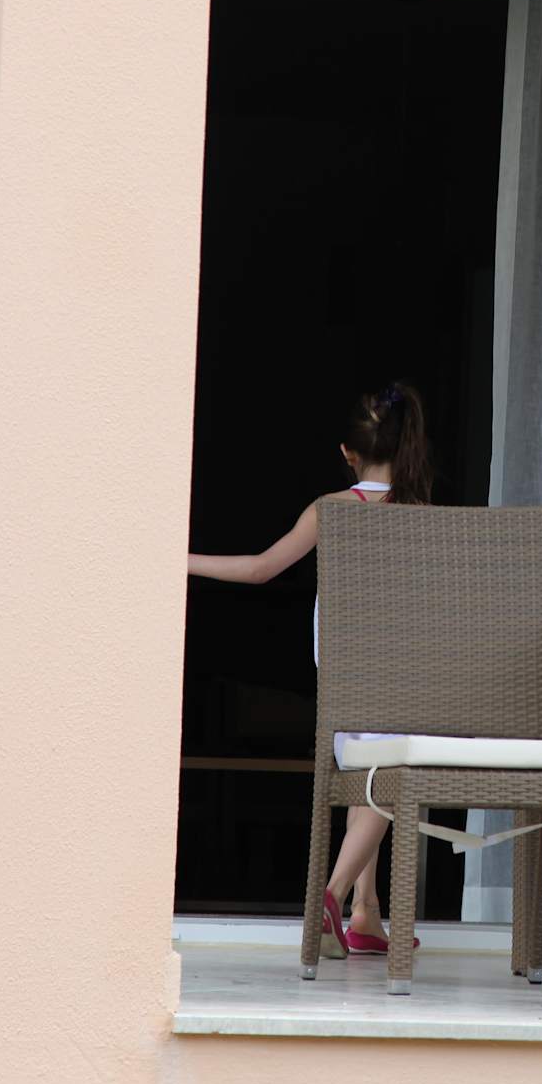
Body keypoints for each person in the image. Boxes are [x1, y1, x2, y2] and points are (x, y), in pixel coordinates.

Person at [186, 381, 436, 959]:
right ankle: (335, 895)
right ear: (408, 448)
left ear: (348, 453)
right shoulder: (421, 516)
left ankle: (365, 912)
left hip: (344, 676)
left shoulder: (331, 509)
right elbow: (469, 591)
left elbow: (260, 569)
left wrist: (181, 559)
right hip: (399, 675)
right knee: (385, 780)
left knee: (367, 779)